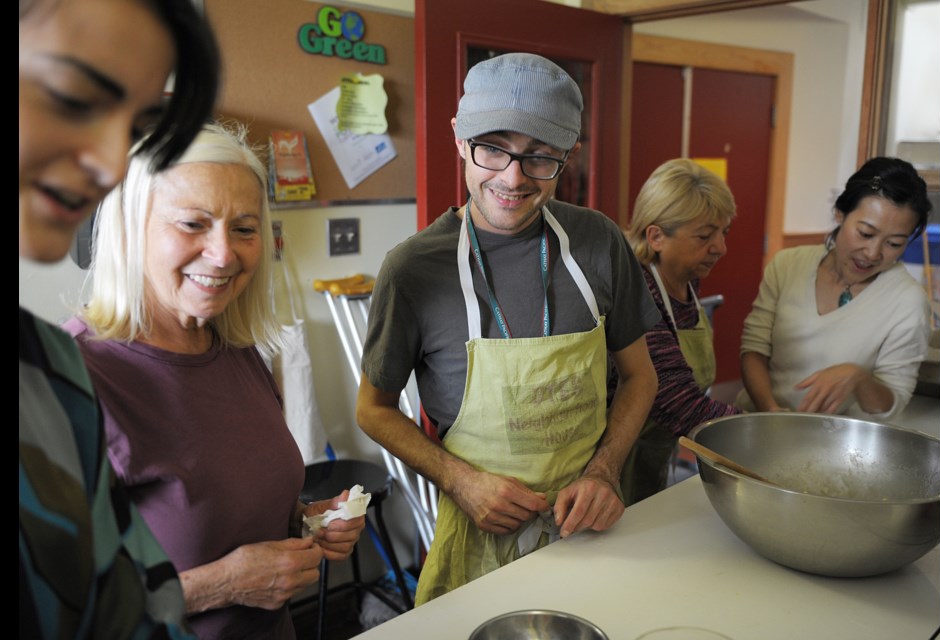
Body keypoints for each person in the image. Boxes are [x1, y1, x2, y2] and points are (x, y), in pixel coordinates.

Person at [356, 52, 660, 605]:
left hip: (589, 526)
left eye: (541, 157)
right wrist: (461, 481)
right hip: (478, 538)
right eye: (492, 149)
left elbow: (641, 377)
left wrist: (605, 470)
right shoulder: (413, 271)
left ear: (569, 156)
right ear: (458, 138)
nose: (513, 178)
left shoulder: (599, 242)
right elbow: (372, 411)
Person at [64, 122, 364, 639]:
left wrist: (301, 521)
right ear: (130, 230)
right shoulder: (71, 379)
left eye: (244, 229)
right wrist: (224, 584)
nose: (224, 254)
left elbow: (220, 506)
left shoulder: (234, 347)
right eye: (192, 224)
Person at [19, 0, 219, 637]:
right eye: (74, 97)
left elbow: (130, 610)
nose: (110, 165)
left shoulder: (49, 373)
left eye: (135, 126)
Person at [737, 157, 932, 419]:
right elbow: (754, 349)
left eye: (894, 244)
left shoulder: (907, 301)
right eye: (865, 233)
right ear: (840, 214)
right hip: (758, 421)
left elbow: (892, 403)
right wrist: (772, 413)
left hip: (838, 446)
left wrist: (859, 378)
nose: (873, 253)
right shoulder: (788, 265)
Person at [616, 159, 742, 505]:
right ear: (656, 236)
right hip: (612, 469)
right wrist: (759, 431)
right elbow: (679, 403)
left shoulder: (685, 281)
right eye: (705, 236)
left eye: (723, 232)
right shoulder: (636, 290)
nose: (720, 247)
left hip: (652, 463)